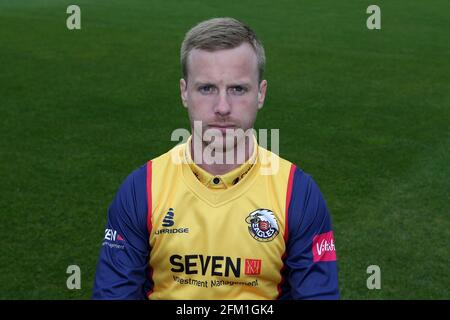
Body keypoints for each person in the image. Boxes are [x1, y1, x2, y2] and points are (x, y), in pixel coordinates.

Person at [92, 17, 339, 300]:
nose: (223, 107)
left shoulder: (298, 193)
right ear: (185, 92)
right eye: (207, 88)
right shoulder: (142, 189)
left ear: (261, 94)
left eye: (238, 89)